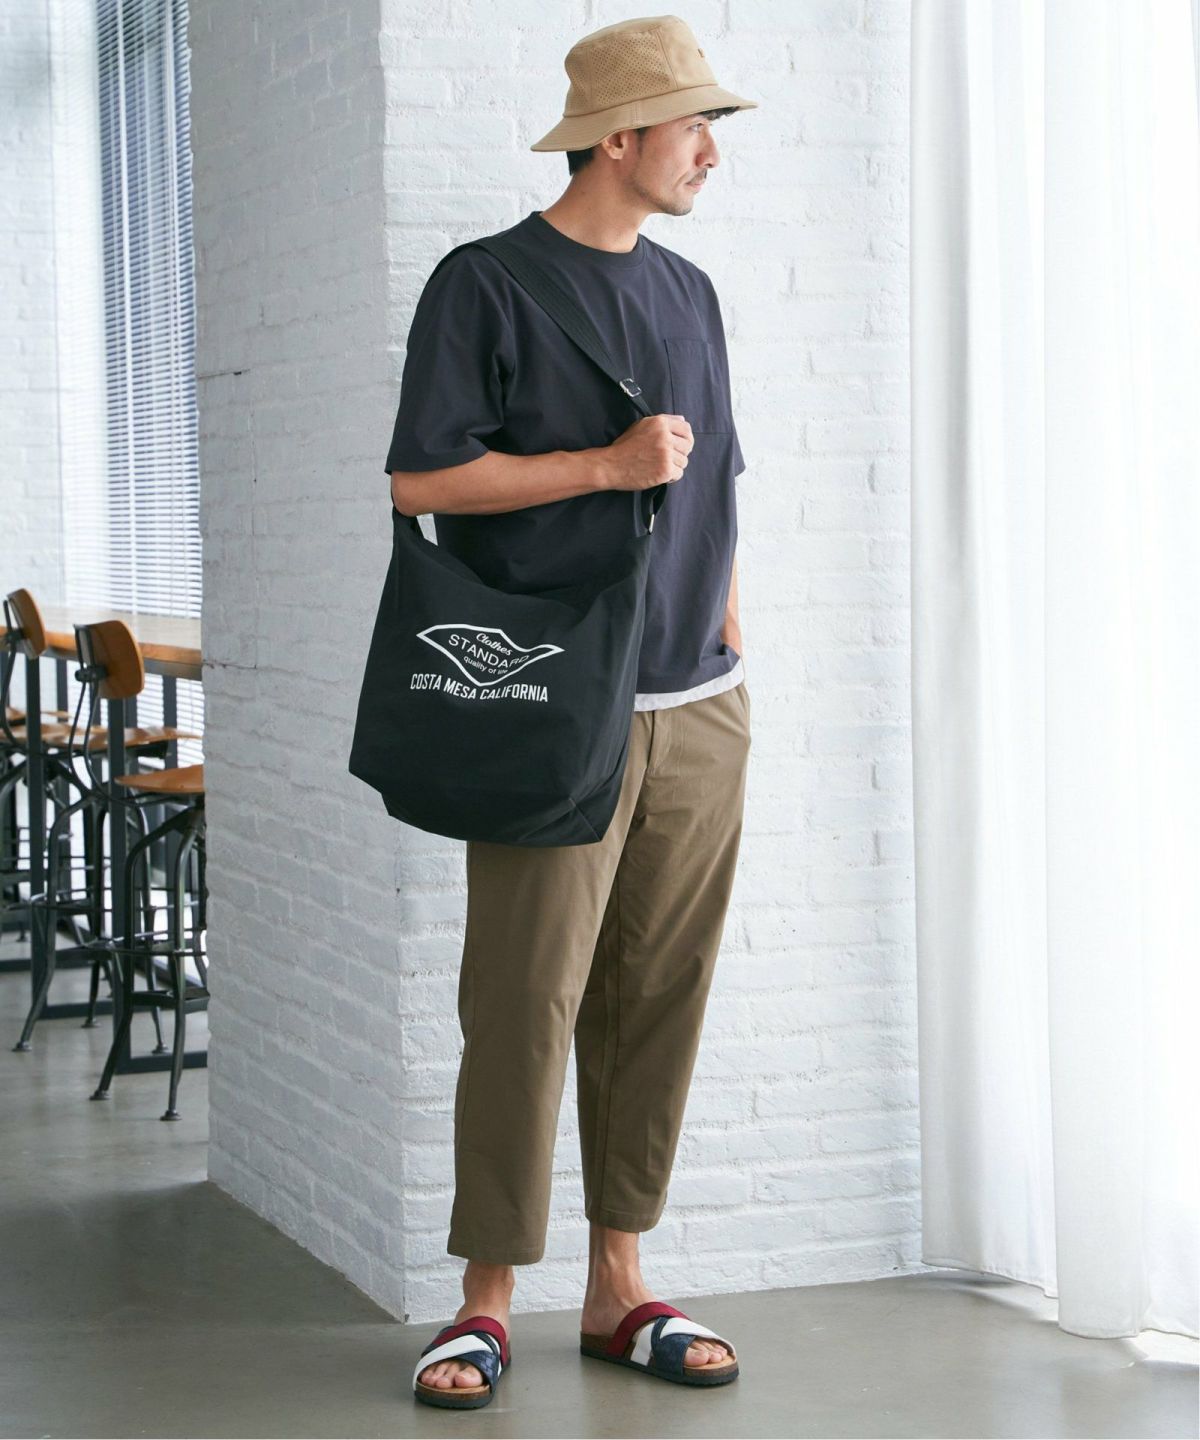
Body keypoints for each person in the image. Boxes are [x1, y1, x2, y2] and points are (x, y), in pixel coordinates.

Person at [384, 15, 759, 1409]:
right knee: (524, 1002)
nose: (710, 150)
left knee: (656, 997)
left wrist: (727, 628)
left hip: (699, 707)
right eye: (693, 125)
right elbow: (423, 481)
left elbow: (721, 482)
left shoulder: (692, 293)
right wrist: (603, 466)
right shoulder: (485, 284)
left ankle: (618, 1288)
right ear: (618, 138)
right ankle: (483, 1302)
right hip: (554, 707)